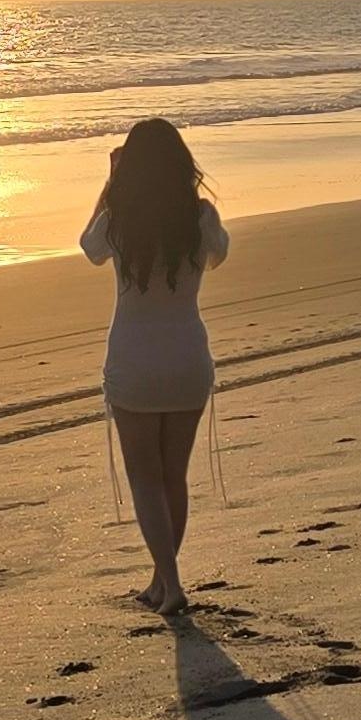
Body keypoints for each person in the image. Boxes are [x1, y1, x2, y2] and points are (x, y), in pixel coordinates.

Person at [80, 116, 229, 615]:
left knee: (145, 477)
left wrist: (109, 182)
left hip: (135, 361)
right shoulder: (200, 217)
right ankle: (162, 581)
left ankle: (172, 582)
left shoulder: (119, 220)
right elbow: (220, 256)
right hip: (187, 357)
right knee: (172, 476)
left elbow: (89, 249)